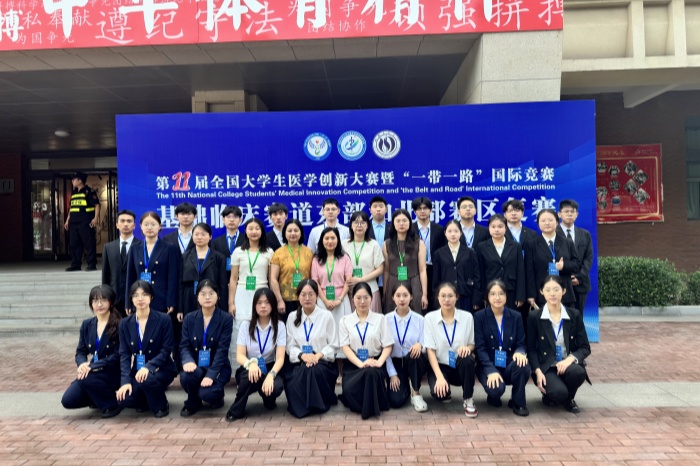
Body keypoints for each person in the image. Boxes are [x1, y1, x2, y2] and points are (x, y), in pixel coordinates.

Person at [527, 275, 590, 413]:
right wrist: (537, 371)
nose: (552, 293)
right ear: (542, 292)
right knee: (558, 393)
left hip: (566, 364)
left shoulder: (574, 315)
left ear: (564, 291)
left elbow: (585, 347)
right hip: (546, 366)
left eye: (556, 289)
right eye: (548, 290)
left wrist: (569, 359)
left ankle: (570, 399)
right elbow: (531, 349)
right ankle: (553, 394)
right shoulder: (534, 317)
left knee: (578, 372)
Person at [117, 281, 177, 417]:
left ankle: (162, 405)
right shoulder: (125, 323)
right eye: (136, 295)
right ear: (131, 299)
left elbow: (166, 350)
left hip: (161, 368)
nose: (140, 299)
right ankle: (146, 399)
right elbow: (124, 355)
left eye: (144, 294)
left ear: (151, 297)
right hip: (138, 372)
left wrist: (148, 367)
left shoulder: (163, 319)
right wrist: (125, 382)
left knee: (147, 379)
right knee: (124, 400)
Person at [61, 285, 122, 418]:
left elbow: (118, 355)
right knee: (68, 400)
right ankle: (98, 398)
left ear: (110, 301)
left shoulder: (120, 324)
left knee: (86, 378)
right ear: (91, 304)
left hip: (112, 370)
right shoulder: (87, 324)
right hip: (91, 371)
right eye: (95, 301)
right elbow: (80, 351)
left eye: (103, 300)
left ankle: (112, 404)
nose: (99, 304)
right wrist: (82, 364)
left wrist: (93, 366)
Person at [226, 288, 286, 422]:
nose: (263, 306)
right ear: (254, 305)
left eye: (267, 302)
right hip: (250, 367)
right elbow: (240, 355)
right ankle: (236, 409)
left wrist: (271, 375)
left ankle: (268, 398)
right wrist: (250, 364)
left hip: (269, 367)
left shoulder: (280, 326)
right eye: (259, 303)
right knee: (248, 377)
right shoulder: (245, 325)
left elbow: (280, 358)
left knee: (276, 387)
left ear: (273, 305)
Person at [474, 279, 531, 416]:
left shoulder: (516, 316)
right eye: (493, 294)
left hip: (509, 364)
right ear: (487, 297)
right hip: (488, 365)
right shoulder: (479, 317)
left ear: (506, 296)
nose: (497, 297)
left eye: (501, 293)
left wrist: (520, 352)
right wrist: (490, 370)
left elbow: (521, 343)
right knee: (496, 390)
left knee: (522, 365)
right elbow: (480, 348)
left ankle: (518, 402)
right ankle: (493, 396)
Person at [284, 279, 338, 419]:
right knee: (302, 371)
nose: (307, 298)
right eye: (303, 294)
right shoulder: (292, 317)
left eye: (311, 294)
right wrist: (302, 355)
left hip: (322, 362)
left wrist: (318, 355)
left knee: (313, 370)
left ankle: (316, 405)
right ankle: (304, 406)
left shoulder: (326, 316)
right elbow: (290, 346)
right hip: (300, 361)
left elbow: (333, 345)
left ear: (317, 296)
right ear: (298, 297)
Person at [338, 283, 393, 419]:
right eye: (358, 298)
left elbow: (388, 345)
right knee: (350, 389)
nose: (362, 301)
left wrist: (379, 362)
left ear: (371, 298)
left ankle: (368, 409)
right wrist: (361, 363)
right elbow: (345, 347)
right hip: (354, 364)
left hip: (375, 363)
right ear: (352, 299)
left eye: (366, 297)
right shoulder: (345, 321)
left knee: (370, 373)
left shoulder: (380, 319)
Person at [179, 280, 233, 417]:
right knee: (186, 377)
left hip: (217, 367)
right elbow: (184, 345)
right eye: (203, 294)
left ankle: (217, 396)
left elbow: (222, 351)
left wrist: (211, 375)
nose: (207, 297)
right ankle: (192, 401)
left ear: (218, 296)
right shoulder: (189, 318)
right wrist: (187, 361)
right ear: (197, 297)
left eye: (211, 293)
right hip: (197, 366)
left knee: (208, 394)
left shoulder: (225, 319)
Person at [424, 282, 478, 418]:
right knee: (439, 394)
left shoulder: (467, 317)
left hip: (459, 365)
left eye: (450, 296)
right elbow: (430, 350)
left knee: (467, 359)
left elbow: (472, 344)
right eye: (443, 296)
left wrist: (467, 348)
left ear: (457, 297)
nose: (446, 300)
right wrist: (439, 377)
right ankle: (446, 391)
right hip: (440, 366)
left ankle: (468, 399)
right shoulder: (430, 318)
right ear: (437, 297)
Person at [228, 218, 274, 371]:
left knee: (261, 326)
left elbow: (271, 279)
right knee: (240, 328)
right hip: (242, 293)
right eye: (250, 228)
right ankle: (239, 369)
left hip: (262, 293)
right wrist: (231, 302)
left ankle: (262, 365)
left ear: (262, 231)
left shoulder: (269, 252)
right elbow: (233, 279)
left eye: (257, 228)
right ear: (245, 231)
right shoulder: (238, 252)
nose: (254, 232)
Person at [311, 226, 352, 381]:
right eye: (326, 238)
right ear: (322, 241)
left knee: (341, 335)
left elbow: (348, 280)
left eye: (333, 238)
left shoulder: (344, 257)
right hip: (322, 302)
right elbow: (315, 281)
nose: (330, 241)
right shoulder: (316, 259)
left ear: (338, 240)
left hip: (341, 301)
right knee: (325, 334)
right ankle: (327, 370)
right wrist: (325, 300)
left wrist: (339, 299)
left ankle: (341, 372)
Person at [124, 211, 180, 315]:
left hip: (161, 299)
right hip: (140, 298)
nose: (149, 228)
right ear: (141, 226)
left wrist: (171, 301)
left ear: (160, 226)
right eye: (146, 224)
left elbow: (172, 278)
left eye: (153, 224)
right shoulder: (134, 248)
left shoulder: (169, 248)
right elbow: (130, 277)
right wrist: (128, 302)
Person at [384, 283, 428, 412]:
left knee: (415, 354)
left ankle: (416, 392)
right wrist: (392, 374)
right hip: (396, 363)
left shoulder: (419, 319)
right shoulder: (386, 320)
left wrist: (420, 345)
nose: (402, 299)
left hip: (414, 361)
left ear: (411, 296)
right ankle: (405, 386)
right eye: (398, 295)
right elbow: (384, 350)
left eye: (405, 295)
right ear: (393, 297)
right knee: (395, 401)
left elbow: (426, 343)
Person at [526, 209, 580, 310]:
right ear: (538, 224)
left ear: (557, 222)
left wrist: (564, 266)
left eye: (550, 220)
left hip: (564, 292)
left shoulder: (567, 242)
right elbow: (529, 272)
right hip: (542, 294)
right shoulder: (532, 245)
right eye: (543, 220)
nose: (547, 223)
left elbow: (577, 264)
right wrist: (531, 294)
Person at [474, 214, 525, 310]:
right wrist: (483, 295)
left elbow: (520, 271)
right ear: (489, 228)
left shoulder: (515, 246)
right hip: (491, 290)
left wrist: (520, 296)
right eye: (493, 227)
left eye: (500, 226)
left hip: (511, 290)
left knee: (510, 316)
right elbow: (480, 273)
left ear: (506, 228)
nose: (496, 230)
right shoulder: (482, 247)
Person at [178, 223, 228, 320]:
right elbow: (180, 284)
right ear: (192, 237)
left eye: (203, 234)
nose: (199, 237)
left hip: (210, 297)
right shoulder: (185, 256)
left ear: (210, 236)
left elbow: (222, 285)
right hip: (189, 298)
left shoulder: (219, 257)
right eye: (196, 234)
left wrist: (223, 308)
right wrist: (180, 309)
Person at [382, 209, 428, 314]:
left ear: (410, 223)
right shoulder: (387, 244)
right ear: (393, 223)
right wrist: (385, 292)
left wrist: (424, 294)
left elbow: (422, 270)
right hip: (393, 283)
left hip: (413, 282)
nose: (401, 224)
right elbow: (386, 270)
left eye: (404, 220)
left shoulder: (419, 243)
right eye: (398, 221)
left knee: (415, 314)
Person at [432, 220, 481, 312]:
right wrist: (436, 299)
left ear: (461, 233)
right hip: (446, 297)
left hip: (466, 295)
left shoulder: (470, 253)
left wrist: (476, 299)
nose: (453, 234)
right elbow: (436, 279)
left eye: (456, 231)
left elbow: (477, 277)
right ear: (445, 233)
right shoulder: (438, 253)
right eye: (449, 231)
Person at [270, 219, 314, 320]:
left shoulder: (308, 252)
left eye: (296, 230)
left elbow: (313, 277)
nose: (293, 233)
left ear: (301, 233)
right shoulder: (278, 253)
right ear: (284, 233)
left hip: (306, 299)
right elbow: (273, 279)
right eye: (289, 231)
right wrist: (279, 300)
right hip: (285, 301)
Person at [343, 211, 384, 313]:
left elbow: (380, 269)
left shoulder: (373, 244)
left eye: (362, 222)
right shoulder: (343, 244)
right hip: (350, 291)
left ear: (367, 226)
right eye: (356, 222)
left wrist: (361, 279)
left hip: (370, 290)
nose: (359, 225)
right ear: (351, 225)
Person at [557, 199, 594, 315]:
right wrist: (567, 278)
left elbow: (588, 258)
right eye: (566, 211)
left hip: (580, 284)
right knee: (560, 317)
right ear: (559, 214)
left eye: (572, 211)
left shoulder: (585, 234)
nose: (569, 214)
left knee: (578, 317)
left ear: (577, 214)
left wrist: (579, 277)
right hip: (560, 284)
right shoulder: (553, 233)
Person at [102, 209, 141, 316]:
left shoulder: (141, 246)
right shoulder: (108, 247)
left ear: (134, 225)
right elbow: (105, 276)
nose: (125, 224)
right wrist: (106, 297)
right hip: (115, 299)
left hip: (136, 298)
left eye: (129, 221)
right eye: (122, 221)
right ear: (117, 225)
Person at [411, 197, 446, 308]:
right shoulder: (410, 230)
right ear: (415, 212)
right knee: (417, 300)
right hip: (416, 271)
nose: (422, 211)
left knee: (434, 300)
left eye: (425, 208)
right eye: (419, 209)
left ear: (430, 210)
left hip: (434, 269)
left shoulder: (439, 230)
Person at [64, 172, 100, 271]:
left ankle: (91, 264)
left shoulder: (89, 191)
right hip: (74, 222)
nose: (72, 181)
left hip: (86, 221)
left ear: (80, 180)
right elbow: (72, 207)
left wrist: (95, 218)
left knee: (89, 243)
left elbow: (97, 205)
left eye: (74, 179)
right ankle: (76, 264)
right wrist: (67, 220)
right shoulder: (74, 192)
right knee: (74, 243)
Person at [211, 205, 244, 285]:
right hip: (222, 282)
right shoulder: (216, 242)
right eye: (228, 217)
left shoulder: (247, 240)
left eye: (235, 217)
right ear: (223, 219)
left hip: (242, 281)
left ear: (240, 220)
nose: (231, 220)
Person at [367, 196, 391, 299]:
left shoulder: (393, 229)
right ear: (370, 210)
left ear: (386, 209)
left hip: (390, 274)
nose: (378, 209)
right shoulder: (365, 229)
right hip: (371, 276)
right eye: (375, 206)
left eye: (381, 206)